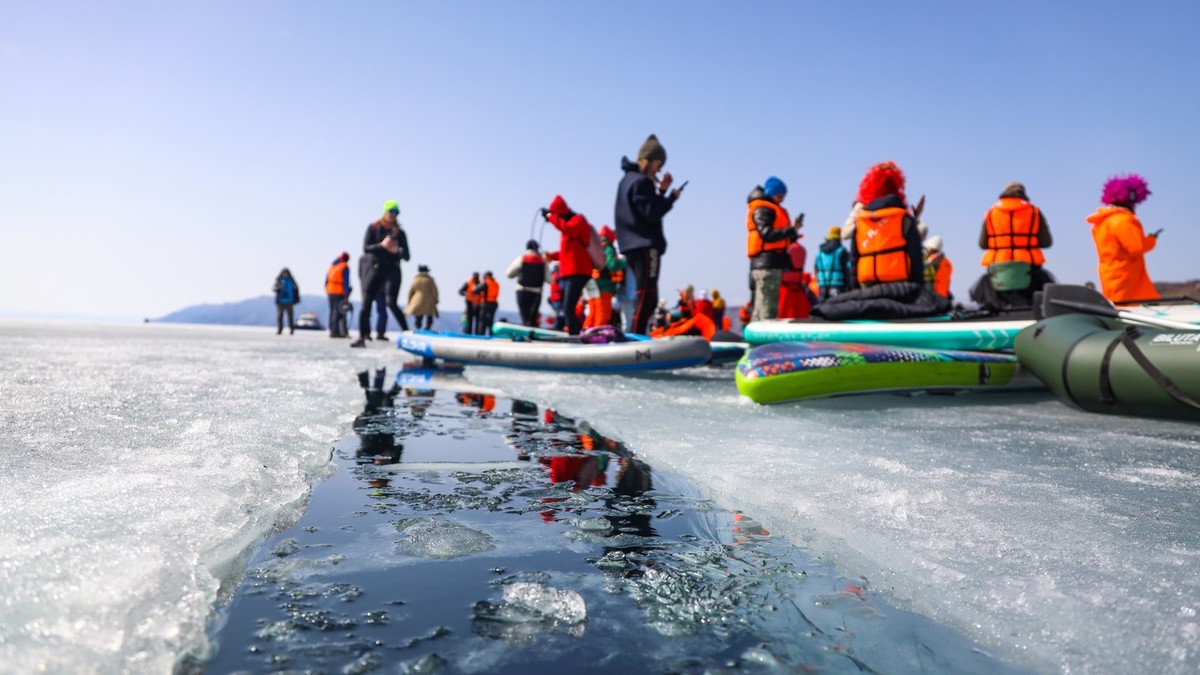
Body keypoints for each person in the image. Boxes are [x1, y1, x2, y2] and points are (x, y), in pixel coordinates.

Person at [614, 134, 684, 334]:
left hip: (630, 245)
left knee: (644, 295)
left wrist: (661, 192)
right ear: (648, 161)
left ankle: (635, 335)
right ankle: (635, 338)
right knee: (648, 296)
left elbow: (643, 209)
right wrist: (670, 198)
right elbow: (652, 213)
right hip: (645, 245)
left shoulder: (627, 180)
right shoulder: (641, 182)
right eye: (657, 164)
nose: (659, 170)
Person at [969, 181, 1054, 310]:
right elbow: (1047, 242)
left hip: (998, 270)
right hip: (1029, 270)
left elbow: (982, 244)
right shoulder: (1034, 212)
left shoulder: (991, 213)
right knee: (1041, 284)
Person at [849, 161, 923, 288]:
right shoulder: (904, 218)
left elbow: (854, 260)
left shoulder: (861, 221)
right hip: (899, 287)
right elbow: (916, 256)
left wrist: (855, 290)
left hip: (867, 286)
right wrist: (917, 287)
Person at [1088, 174, 1159, 303]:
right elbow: (1136, 248)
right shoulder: (1123, 220)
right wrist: (1151, 240)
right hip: (1127, 280)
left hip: (1110, 276)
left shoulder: (1103, 222)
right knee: (1129, 312)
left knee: (1116, 308)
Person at [351, 200, 410, 347]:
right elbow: (366, 248)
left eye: (396, 213)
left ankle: (407, 332)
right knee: (366, 303)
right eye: (391, 211)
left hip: (392, 271)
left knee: (391, 303)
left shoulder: (400, 233)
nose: (393, 215)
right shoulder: (373, 228)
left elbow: (407, 256)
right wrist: (382, 246)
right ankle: (362, 336)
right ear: (385, 212)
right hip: (375, 269)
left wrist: (398, 251)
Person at [745, 176, 802, 321]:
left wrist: (793, 231)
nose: (782, 200)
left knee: (762, 307)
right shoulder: (763, 209)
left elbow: (775, 237)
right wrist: (790, 229)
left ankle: (756, 340)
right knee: (767, 308)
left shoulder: (765, 208)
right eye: (780, 196)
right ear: (772, 193)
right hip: (766, 264)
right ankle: (763, 340)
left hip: (769, 263)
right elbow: (767, 234)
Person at [542, 195, 595, 335]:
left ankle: (576, 336)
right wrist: (552, 256)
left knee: (568, 308)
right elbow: (566, 253)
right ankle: (575, 334)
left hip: (578, 272)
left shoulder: (578, 220)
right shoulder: (568, 227)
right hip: (570, 272)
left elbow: (568, 229)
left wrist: (550, 217)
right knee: (568, 308)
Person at [586, 226, 626, 329]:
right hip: (604, 286)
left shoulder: (595, 247)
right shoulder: (608, 248)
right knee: (603, 314)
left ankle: (585, 332)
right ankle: (596, 336)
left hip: (591, 283)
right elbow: (612, 265)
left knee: (592, 312)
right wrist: (625, 261)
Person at [506, 239, 546, 327]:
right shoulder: (542, 261)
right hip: (537, 293)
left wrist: (519, 273)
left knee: (525, 317)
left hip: (522, 291)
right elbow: (549, 279)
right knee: (532, 319)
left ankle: (525, 330)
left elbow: (508, 274)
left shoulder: (521, 258)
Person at [814, 225, 851, 301]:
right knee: (836, 308)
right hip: (838, 285)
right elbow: (847, 269)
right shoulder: (841, 250)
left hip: (822, 286)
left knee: (822, 308)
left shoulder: (819, 252)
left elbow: (816, 269)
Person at [325, 252, 352, 338]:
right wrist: (346, 294)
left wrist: (327, 289)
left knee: (332, 311)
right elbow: (346, 281)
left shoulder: (332, 266)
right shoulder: (344, 266)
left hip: (330, 291)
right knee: (339, 311)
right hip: (339, 291)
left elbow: (326, 280)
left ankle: (332, 330)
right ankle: (337, 332)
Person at [405, 264, 438, 330]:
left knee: (418, 315)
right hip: (429, 300)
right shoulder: (430, 279)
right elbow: (434, 290)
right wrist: (436, 299)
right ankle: (428, 327)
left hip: (417, 300)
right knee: (429, 315)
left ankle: (418, 327)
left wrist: (409, 301)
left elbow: (411, 291)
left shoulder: (416, 279)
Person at [923, 235, 953, 300]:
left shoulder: (943, 261)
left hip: (934, 291)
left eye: (935, 251)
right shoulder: (921, 255)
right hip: (925, 286)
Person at [272, 268, 300, 335]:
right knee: (280, 316)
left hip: (290, 301)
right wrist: (278, 287)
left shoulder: (292, 281)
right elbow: (274, 289)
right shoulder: (279, 280)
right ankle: (280, 329)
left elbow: (296, 290)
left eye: (286, 273)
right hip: (280, 301)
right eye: (284, 273)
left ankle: (291, 329)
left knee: (290, 316)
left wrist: (295, 294)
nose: (285, 274)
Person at [477, 271, 500, 335]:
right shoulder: (496, 283)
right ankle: (491, 334)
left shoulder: (485, 283)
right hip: (494, 303)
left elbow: (476, 290)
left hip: (486, 303)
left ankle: (481, 334)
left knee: (482, 320)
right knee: (491, 320)